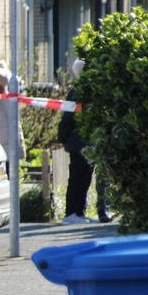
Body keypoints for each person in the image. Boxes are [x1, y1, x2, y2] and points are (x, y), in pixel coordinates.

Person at [57, 59, 109, 224]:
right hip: (81, 140)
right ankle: (72, 213)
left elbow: (66, 118)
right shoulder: (87, 91)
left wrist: (62, 138)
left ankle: (78, 213)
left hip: (77, 140)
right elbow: (68, 117)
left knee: (81, 178)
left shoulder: (77, 91)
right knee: (79, 178)